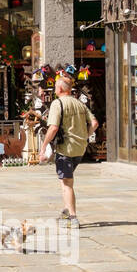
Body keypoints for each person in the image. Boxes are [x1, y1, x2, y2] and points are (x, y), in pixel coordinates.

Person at [41, 75, 98, 227]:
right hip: (79, 149)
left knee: (67, 183)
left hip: (65, 149)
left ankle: (73, 217)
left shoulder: (57, 104)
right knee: (65, 180)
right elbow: (94, 123)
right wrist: (85, 135)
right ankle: (66, 211)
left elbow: (53, 127)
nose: (54, 90)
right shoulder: (80, 104)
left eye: (55, 88)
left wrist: (44, 145)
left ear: (59, 89)